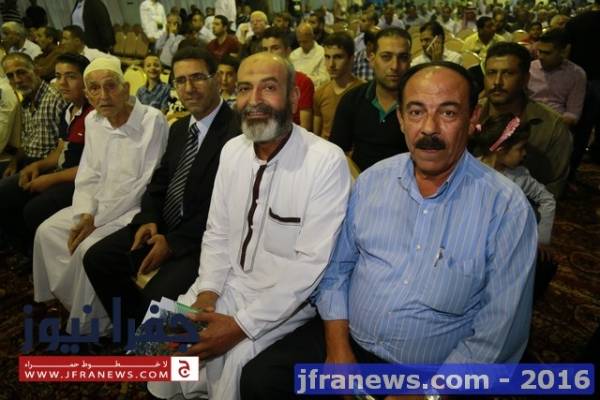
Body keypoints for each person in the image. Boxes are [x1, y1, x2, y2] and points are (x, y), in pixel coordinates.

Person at [240, 62, 538, 399]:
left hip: (433, 371)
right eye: (416, 112)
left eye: (448, 113)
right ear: (400, 118)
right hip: (349, 339)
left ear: (473, 118)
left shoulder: (506, 209)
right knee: (260, 379)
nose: (429, 128)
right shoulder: (372, 181)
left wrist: (431, 393)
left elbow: (500, 330)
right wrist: (338, 348)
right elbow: (337, 271)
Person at [147, 52, 351, 400]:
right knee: (159, 342)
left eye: (268, 88)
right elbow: (217, 231)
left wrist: (240, 326)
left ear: (293, 97)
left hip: (283, 304)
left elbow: (309, 267)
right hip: (226, 282)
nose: (254, 100)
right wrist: (207, 292)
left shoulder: (325, 161)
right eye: (244, 88)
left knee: (236, 370)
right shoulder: (232, 151)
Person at [84, 47, 239, 339]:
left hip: (201, 240)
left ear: (217, 79)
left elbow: (228, 209)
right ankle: (132, 336)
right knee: (97, 259)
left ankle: (151, 346)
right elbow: (160, 181)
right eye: (180, 80)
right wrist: (149, 219)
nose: (188, 88)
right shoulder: (180, 128)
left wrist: (173, 243)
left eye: (197, 78)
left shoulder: (237, 133)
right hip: (164, 225)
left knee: (156, 298)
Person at [32, 57, 169, 336]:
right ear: (87, 94)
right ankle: (69, 303)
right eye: (94, 88)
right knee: (47, 232)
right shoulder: (93, 121)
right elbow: (89, 174)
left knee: (87, 249)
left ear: (126, 88)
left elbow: (146, 183)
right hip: (97, 206)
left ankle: (93, 324)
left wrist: (97, 220)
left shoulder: (152, 120)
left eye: (111, 86)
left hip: (132, 210)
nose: (103, 96)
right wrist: (85, 214)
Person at [0, 53, 92, 257]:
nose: (62, 83)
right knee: (8, 192)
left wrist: (49, 177)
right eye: (58, 76)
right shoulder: (68, 108)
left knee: (33, 208)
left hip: (80, 179)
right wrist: (36, 167)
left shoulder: (92, 114)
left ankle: (36, 254)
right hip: (60, 169)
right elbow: (59, 151)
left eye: (70, 76)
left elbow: (92, 167)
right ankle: (24, 251)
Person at [471, 113, 557, 300]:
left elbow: (547, 199)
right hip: (472, 238)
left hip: (506, 240)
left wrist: (542, 238)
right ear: (501, 149)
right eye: (521, 148)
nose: (525, 153)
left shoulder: (520, 176)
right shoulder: (470, 169)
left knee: (542, 266)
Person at [481, 42, 572, 198]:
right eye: (491, 73)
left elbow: (553, 188)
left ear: (525, 79)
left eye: (508, 73)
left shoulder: (552, 126)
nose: (497, 82)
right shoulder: (467, 115)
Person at [330, 27, 411, 171]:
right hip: (359, 178)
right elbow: (338, 153)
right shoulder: (352, 100)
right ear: (372, 59)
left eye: (403, 58)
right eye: (386, 57)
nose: (395, 66)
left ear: (410, 61)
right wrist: (360, 180)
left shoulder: (420, 104)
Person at [1, 53, 67, 178]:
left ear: (36, 71)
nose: (17, 80)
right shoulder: (25, 101)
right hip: (27, 162)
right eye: (10, 76)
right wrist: (14, 163)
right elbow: (27, 144)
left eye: (21, 72)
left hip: (47, 168)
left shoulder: (56, 99)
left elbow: (65, 149)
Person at [528, 28, 586, 127]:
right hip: (529, 118)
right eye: (540, 51)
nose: (541, 57)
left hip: (558, 122)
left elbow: (573, 113)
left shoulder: (576, 74)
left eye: (547, 53)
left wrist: (557, 126)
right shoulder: (529, 68)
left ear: (563, 52)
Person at [262, 26, 315, 131]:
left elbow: (305, 128)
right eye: (265, 49)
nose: (269, 54)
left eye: (275, 48)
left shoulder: (303, 82)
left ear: (288, 51)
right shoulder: (258, 82)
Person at [313, 32, 363, 139]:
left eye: (338, 57)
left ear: (351, 59)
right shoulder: (320, 92)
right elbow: (316, 135)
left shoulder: (364, 91)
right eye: (327, 57)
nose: (331, 64)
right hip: (326, 147)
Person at [290, 23, 329, 88]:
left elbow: (325, 80)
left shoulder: (322, 53)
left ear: (312, 37)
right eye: (299, 42)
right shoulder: (294, 54)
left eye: (305, 42)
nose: (302, 45)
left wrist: (304, 78)